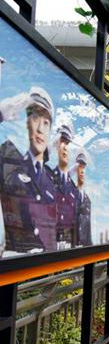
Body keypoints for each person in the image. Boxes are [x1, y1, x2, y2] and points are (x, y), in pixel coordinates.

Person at [0, 87, 57, 253]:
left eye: (46, 123)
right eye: (35, 118)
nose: (40, 129)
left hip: (49, 264)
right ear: (27, 123)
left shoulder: (51, 178)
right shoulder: (8, 158)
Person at [52, 123, 77, 250]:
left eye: (67, 143)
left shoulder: (72, 186)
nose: (65, 147)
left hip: (67, 246)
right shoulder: (47, 175)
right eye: (62, 141)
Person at [74, 151, 91, 246]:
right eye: (79, 166)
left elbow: (88, 231)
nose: (82, 170)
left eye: (84, 167)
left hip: (85, 248)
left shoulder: (88, 201)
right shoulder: (69, 193)